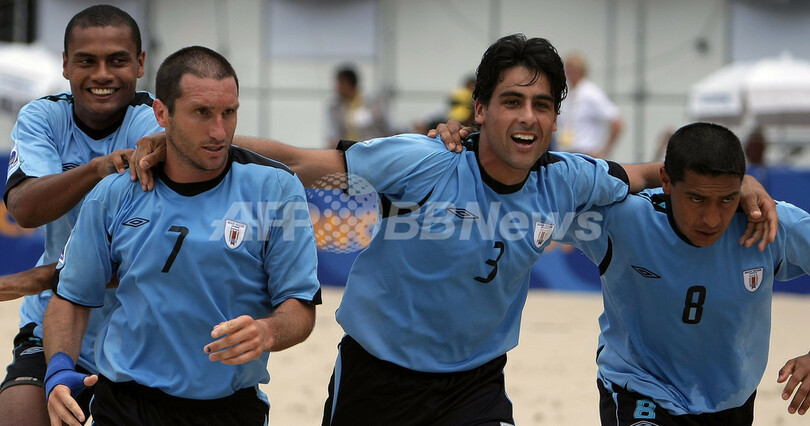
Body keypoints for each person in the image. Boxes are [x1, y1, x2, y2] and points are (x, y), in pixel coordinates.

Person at [132, 34, 775, 425]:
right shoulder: (422, 162)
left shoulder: (569, 179)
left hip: (475, 385)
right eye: (512, 101)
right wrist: (198, 144)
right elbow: (303, 162)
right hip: (375, 379)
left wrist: (742, 181)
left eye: (542, 104)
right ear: (483, 108)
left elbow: (660, 171)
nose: (528, 117)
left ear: (555, 116)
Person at [43, 45, 321, 426]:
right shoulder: (115, 192)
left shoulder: (276, 188)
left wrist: (268, 331)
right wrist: (58, 371)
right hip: (124, 405)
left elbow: (300, 306)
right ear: (162, 113)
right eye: (201, 113)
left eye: (229, 112)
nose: (219, 131)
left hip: (228, 410)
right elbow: (71, 297)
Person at [556, 122, 810, 425]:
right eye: (697, 199)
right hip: (640, 389)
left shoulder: (767, 222)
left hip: (730, 400)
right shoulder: (623, 219)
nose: (712, 218)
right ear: (666, 181)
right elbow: (536, 193)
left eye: (726, 199)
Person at [0, 5, 160, 425]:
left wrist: (37, 278)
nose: (102, 74)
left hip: (142, 330)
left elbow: (147, 259)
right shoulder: (42, 116)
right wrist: (99, 167)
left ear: (141, 64)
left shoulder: (158, 124)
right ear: (66, 65)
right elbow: (25, 210)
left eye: (118, 60)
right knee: (17, 412)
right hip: (54, 324)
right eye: (87, 61)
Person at [556, 52, 622, 158]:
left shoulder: (591, 93)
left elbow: (617, 123)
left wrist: (604, 151)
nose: (570, 73)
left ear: (582, 71)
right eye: (568, 69)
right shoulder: (568, 94)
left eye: (574, 69)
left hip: (585, 153)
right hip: (566, 152)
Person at [325, 64, 392, 148]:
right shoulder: (335, 107)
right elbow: (333, 133)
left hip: (373, 149)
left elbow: (388, 127)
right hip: (348, 151)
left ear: (348, 83)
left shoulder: (374, 103)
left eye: (339, 83)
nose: (336, 87)